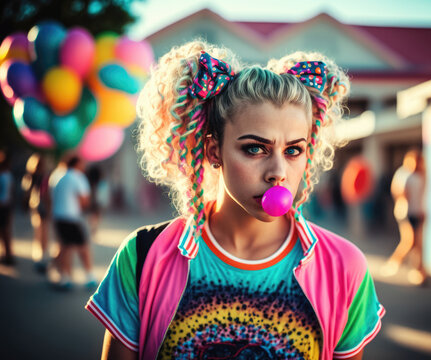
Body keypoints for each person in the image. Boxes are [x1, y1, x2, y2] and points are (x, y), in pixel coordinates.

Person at [86, 41, 384, 360]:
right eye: (255, 148)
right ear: (215, 151)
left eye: (293, 150)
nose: (277, 172)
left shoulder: (344, 266)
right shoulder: (143, 257)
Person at [381, 149, 427, 285]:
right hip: (405, 212)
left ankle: (419, 272)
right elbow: (397, 191)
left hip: (419, 212)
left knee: (419, 244)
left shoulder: (422, 174)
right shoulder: (403, 173)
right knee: (409, 241)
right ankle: (393, 263)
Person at [51, 155, 96, 290]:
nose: (84, 166)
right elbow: (84, 200)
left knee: (65, 247)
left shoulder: (58, 177)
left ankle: (64, 277)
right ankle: (89, 276)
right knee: (82, 247)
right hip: (71, 217)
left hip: (58, 216)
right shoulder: (78, 177)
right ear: (76, 164)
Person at [21, 153, 52, 273]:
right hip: (42, 206)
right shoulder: (44, 177)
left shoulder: (30, 176)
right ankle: (42, 256)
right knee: (44, 232)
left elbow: (26, 192)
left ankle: (38, 256)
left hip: (35, 206)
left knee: (38, 232)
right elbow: (46, 194)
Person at [0, 150, 14, 266]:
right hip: (6, 205)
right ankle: (8, 254)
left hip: (3, 206)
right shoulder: (7, 175)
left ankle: (8, 254)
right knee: (5, 231)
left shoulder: (5, 175)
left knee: (4, 231)